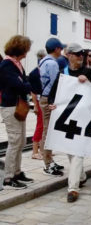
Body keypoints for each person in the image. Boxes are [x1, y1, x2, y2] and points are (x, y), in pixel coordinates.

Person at [47, 43, 91, 203]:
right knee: (71, 151)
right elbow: (53, 94)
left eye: (82, 54)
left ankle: (73, 188)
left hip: (84, 119)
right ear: (68, 55)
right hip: (68, 119)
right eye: (77, 54)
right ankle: (81, 176)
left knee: (77, 152)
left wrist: (89, 82)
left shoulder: (88, 72)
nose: (80, 56)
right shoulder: (63, 74)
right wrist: (52, 104)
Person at [0, 35, 34, 189]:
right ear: (20, 49)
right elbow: (21, 86)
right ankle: (8, 177)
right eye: (26, 49)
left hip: (18, 106)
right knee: (14, 142)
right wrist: (26, 85)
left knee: (20, 142)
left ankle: (17, 171)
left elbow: (25, 82)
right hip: (10, 106)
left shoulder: (17, 64)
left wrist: (25, 84)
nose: (27, 53)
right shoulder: (7, 65)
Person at [39, 38, 66, 176]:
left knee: (48, 130)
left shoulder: (43, 61)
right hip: (49, 98)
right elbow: (57, 84)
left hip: (43, 97)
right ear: (56, 49)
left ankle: (49, 159)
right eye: (61, 48)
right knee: (47, 131)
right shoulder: (53, 64)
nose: (62, 51)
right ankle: (47, 164)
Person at [29, 50, 47, 160]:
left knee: (44, 125)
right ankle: (35, 151)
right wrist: (35, 105)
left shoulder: (41, 71)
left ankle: (41, 149)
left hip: (43, 100)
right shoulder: (35, 73)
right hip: (40, 101)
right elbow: (33, 92)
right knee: (40, 125)